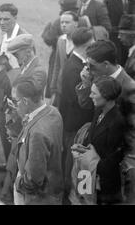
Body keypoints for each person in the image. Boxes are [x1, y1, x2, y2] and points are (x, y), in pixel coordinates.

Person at [75, 40, 135, 203]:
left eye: (92, 66)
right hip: (92, 157)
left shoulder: (130, 89)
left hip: (111, 170)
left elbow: (132, 141)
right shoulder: (99, 78)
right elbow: (87, 104)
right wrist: (86, 83)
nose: (89, 70)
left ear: (106, 64)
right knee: (85, 197)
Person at [0, 34, 47, 204]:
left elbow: (28, 94)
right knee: (15, 155)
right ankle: (7, 190)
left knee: (20, 158)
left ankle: (8, 192)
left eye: (17, 54)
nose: (15, 58)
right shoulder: (27, 66)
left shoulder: (38, 71)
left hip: (27, 120)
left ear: (27, 52)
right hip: (20, 117)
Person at [72, 76, 126, 204]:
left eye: (93, 93)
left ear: (106, 96)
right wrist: (82, 149)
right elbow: (92, 141)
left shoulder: (118, 122)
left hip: (104, 187)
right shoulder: (98, 111)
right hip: (89, 178)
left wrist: (90, 161)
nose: (90, 96)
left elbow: (114, 160)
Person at [12, 76, 64, 205]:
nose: (14, 105)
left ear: (25, 101)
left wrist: (17, 183)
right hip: (54, 185)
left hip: (38, 197)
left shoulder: (38, 134)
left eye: (15, 101)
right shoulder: (53, 112)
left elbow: (33, 180)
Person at [59, 27, 95, 203]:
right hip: (76, 127)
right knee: (75, 166)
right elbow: (79, 102)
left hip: (75, 125)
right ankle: (74, 197)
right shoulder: (74, 68)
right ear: (88, 45)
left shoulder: (74, 63)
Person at [104, 0, 135, 66]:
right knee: (116, 62)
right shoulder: (109, 1)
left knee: (128, 63)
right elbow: (106, 22)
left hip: (129, 40)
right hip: (114, 39)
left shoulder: (134, 1)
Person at [50, 11, 79, 106]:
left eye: (67, 22)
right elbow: (57, 65)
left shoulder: (82, 42)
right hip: (61, 87)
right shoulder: (61, 40)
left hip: (76, 87)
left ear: (76, 23)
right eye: (62, 22)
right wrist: (53, 87)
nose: (63, 25)